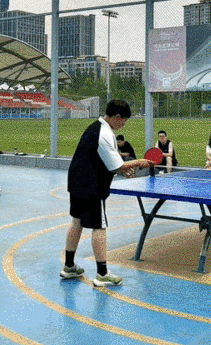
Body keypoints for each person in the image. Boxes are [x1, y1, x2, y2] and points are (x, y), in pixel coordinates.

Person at [61, 100, 152, 287]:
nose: (123, 125)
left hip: (77, 182)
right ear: (118, 117)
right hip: (91, 186)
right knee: (99, 227)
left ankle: (69, 267)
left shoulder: (96, 127)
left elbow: (104, 160)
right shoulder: (104, 133)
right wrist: (138, 162)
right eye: (124, 121)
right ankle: (102, 274)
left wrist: (121, 169)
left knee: (77, 222)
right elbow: (117, 165)